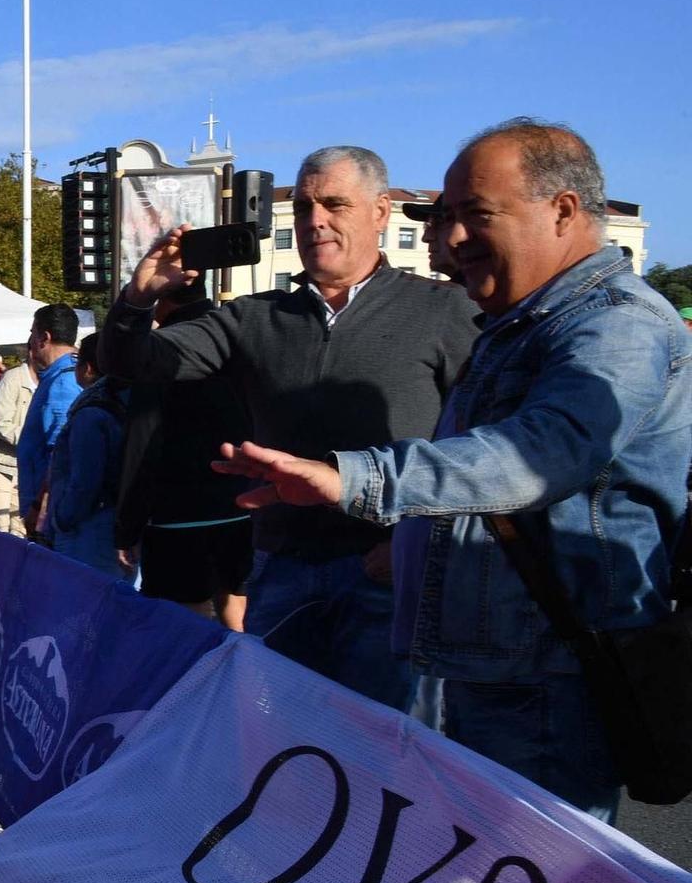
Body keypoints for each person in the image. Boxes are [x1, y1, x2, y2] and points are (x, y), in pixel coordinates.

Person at [213, 119, 692, 823]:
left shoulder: (617, 325)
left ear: (562, 210)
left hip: (548, 685)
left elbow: (541, 454)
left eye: (476, 216)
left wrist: (351, 479)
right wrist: (412, 543)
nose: (452, 240)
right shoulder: (516, 325)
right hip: (492, 671)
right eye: (446, 218)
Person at [99, 145, 481, 713]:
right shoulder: (255, 316)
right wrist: (138, 297)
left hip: (389, 577)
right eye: (303, 208)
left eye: (333, 205)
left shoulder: (443, 312)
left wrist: (415, 542)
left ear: (380, 212)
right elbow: (135, 363)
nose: (314, 221)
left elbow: (482, 445)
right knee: (284, 746)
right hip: (282, 573)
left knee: (388, 756)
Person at [114, 290, 254, 627]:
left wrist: (127, 528)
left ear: (163, 299)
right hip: (243, 510)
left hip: (178, 519)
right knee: (237, 624)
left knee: (182, 633)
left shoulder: (160, 349)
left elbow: (141, 445)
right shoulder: (240, 343)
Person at [45, 335, 131, 580]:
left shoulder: (90, 414)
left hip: (88, 530)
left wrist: (62, 518)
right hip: (118, 522)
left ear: (88, 367)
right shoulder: (127, 404)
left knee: (87, 604)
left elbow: (85, 479)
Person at [14, 305, 83, 537]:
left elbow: (61, 454)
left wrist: (38, 508)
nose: (30, 341)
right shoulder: (61, 376)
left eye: (33, 333)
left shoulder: (63, 383)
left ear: (45, 338)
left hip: (53, 516)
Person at [0, 352, 38, 538]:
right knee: (0, 524)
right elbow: (2, 425)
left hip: (20, 463)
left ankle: (18, 565)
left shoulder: (47, 381)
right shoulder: (11, 380)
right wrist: (33, 441)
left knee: (19, 525)